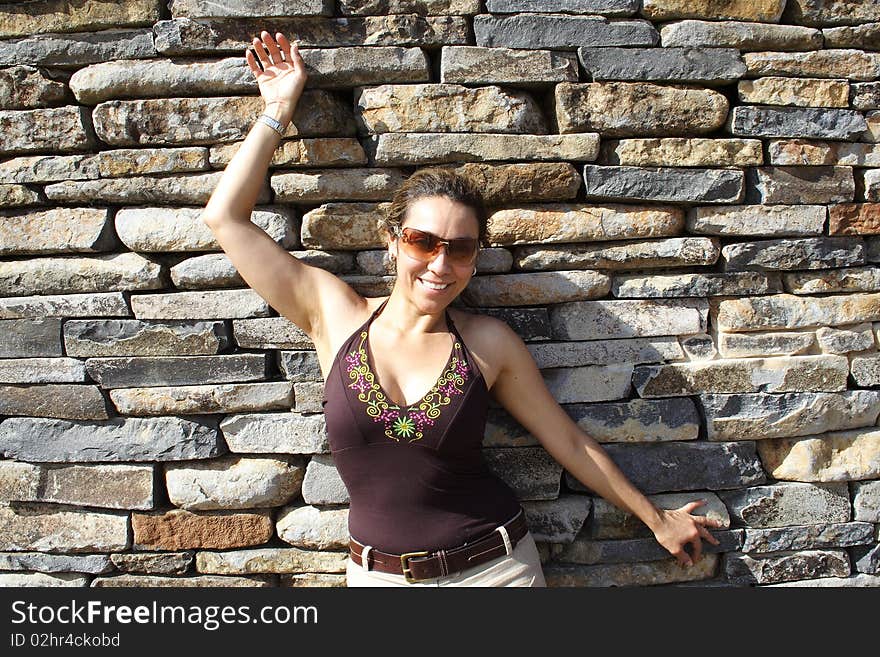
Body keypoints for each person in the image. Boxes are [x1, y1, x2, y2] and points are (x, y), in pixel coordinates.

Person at [202, 31, 722, 587]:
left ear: (475, 260)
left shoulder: (487, 343)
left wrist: (656, 519)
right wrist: (278, 110)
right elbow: (225, 219)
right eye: (423, 241)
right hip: (379, 581)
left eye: (460, 249)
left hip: (495, 572)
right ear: (393, 242)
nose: (439, 264)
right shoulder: (334, 312)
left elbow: (567, 441)